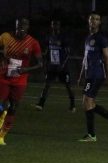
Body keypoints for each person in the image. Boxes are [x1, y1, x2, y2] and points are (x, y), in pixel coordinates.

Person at [78, 12, 108, 142]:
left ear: (99, 23)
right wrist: (81, 75)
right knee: (89, 103)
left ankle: (91, 135)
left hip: (97, 74)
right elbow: (85, 58)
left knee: (87, 101)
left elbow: (107, 57)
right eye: (92, 19)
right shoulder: (88, 38)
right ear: (88, 21)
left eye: (97, 19)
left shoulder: (101, 38)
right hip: (89, 75)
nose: (94, 21)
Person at [0, 17, 43, 145]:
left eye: (24, 25)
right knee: (1, 105)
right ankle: (2, 114)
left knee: (13, 107)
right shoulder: (6, 37)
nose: (21, 28)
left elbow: (40, 63)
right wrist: (2, 57)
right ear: (16, 25)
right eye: (19, 25)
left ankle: (1, 136)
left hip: (20, 80)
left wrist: (26, 69)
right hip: (4, 76)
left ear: (28, 27)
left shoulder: (33, 43)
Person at [35, 19, 76, 112]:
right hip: (52, 67)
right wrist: (45, 61)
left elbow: (68, 53)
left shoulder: (63, 37)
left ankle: (73, 105)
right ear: (51, 26)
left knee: (68, 86)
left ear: (59, 26)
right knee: (47, 85)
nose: (55, 26)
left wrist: (62, 64)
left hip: (62, 68)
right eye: (53, 24)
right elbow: (47, 50)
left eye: (56, 24)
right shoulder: (49, 37)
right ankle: (41, 104)